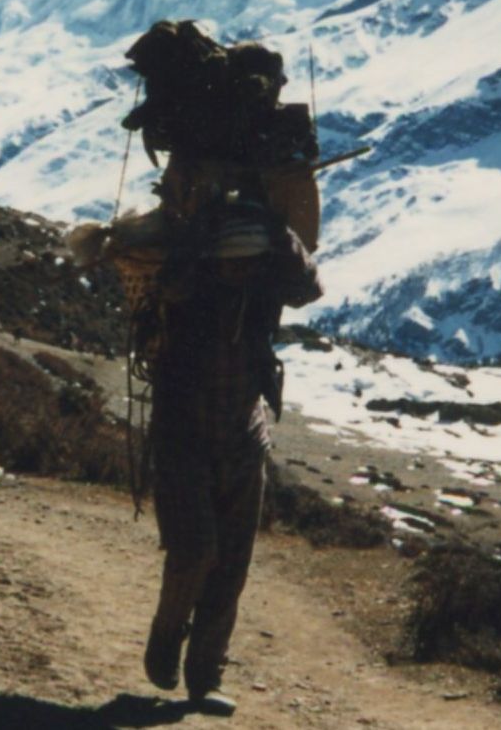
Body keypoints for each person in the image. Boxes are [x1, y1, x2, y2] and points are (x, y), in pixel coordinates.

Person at [143, 195, 320, 715]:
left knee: (232, 565)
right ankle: (166, 633)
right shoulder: (188, 287)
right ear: (215, 259)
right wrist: (199, 235)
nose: (239, 269)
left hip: (245, 437)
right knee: (196, 550)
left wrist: (279, 230)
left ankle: (206, 677)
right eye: (231, 260)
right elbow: (168, 281)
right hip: (183, 438)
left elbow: (308, 287)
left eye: (249, 260)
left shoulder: (267, 286)